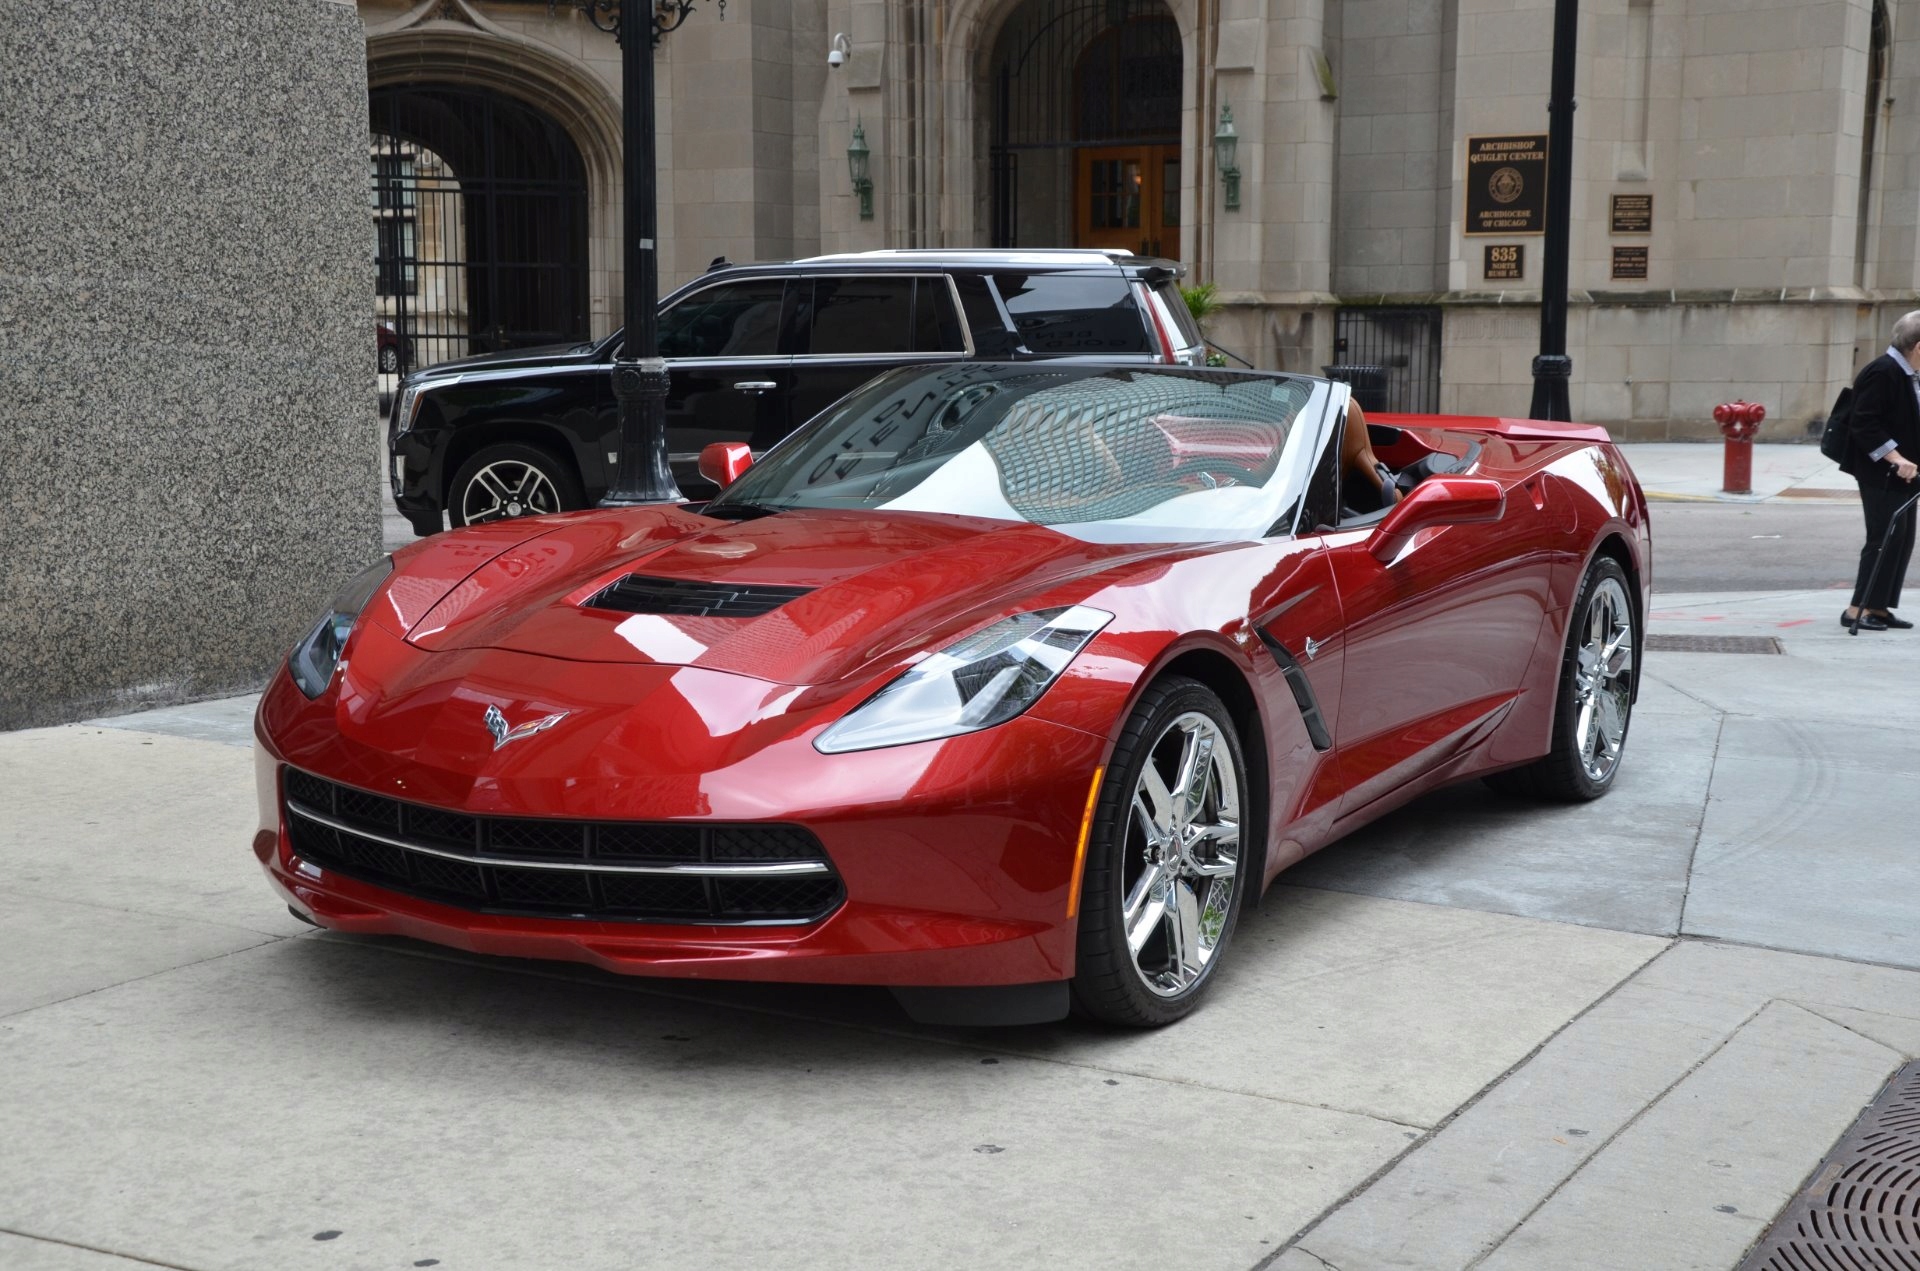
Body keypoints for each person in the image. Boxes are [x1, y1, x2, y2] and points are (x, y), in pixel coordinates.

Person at [1841, 312, 1920, 630]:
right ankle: (1855, 610)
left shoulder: (1907, 374)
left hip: (1906, 474)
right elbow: (1863, 423)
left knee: (1901, 539)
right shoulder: (1882, 372)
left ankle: (1878, 606)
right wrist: (1896, 458)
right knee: (1882, 538)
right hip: (1883, 474)